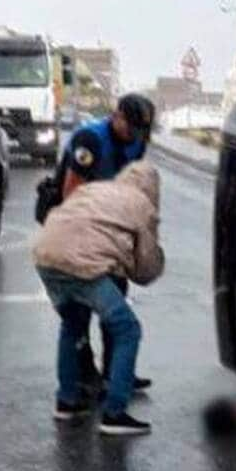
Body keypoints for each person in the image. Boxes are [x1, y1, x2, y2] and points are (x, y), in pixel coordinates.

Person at [33, 161, 165, 435]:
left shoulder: (95, 189)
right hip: (82, 264)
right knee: (127, 329)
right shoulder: (142, 205)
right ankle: (114, 412)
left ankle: (67, 402)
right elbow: (146, 266)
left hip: (45, 254)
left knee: (73, 324)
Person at [60, 94, 156, 394]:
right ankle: (78, 377)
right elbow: (71, 195)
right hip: (78, 227)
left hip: (113, 231)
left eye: (140, 132)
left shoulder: (137, 140)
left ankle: (116, 372)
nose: (134, 138)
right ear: (117, 117)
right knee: (79, 310)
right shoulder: (90, 140)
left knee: (115, 302)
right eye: (131, 130)